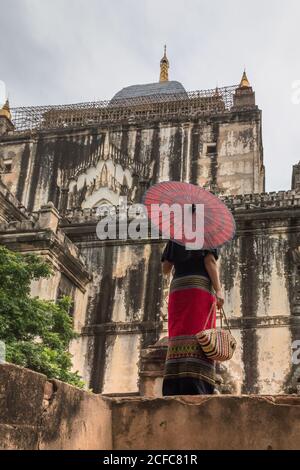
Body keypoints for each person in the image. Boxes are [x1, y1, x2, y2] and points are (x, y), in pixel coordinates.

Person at [161, 239, 224, 396]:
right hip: (198, 288)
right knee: (201, 335)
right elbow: (209, 261)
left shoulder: (175, 236)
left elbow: (166, 269)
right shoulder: (206, 233)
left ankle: (174, 384)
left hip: (178, 289)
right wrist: (219, 290)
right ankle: (198, 384)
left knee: (177, 334)